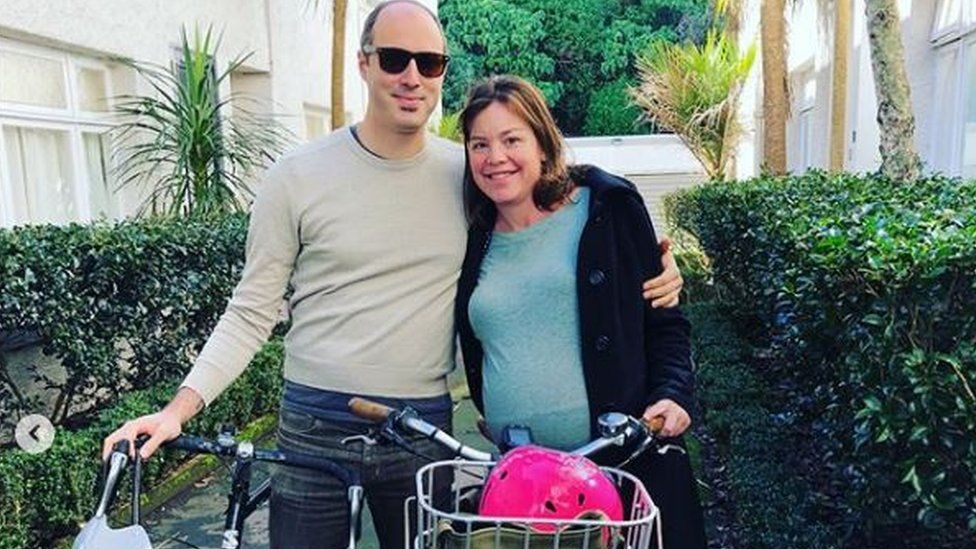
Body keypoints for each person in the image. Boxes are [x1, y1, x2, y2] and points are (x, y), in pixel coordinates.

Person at [101, 3, 684, 547]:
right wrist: (177, 410)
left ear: (441, 74)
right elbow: (252, 309)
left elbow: (548, 182)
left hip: (421, 430)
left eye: (429, 63)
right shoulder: (295, 176)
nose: (412, 76)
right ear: (365, 63)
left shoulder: (469, 173)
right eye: (394, 59)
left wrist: (650, 258)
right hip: (314, 420)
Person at [454, 75, 707, 548]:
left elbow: (664, 320)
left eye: (512, 140)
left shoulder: (606, 207)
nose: (495, 158)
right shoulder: (471, 234)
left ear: (544, 145)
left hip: (622, 469)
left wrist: (673, 393)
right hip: (522, 488)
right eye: (479, 144)